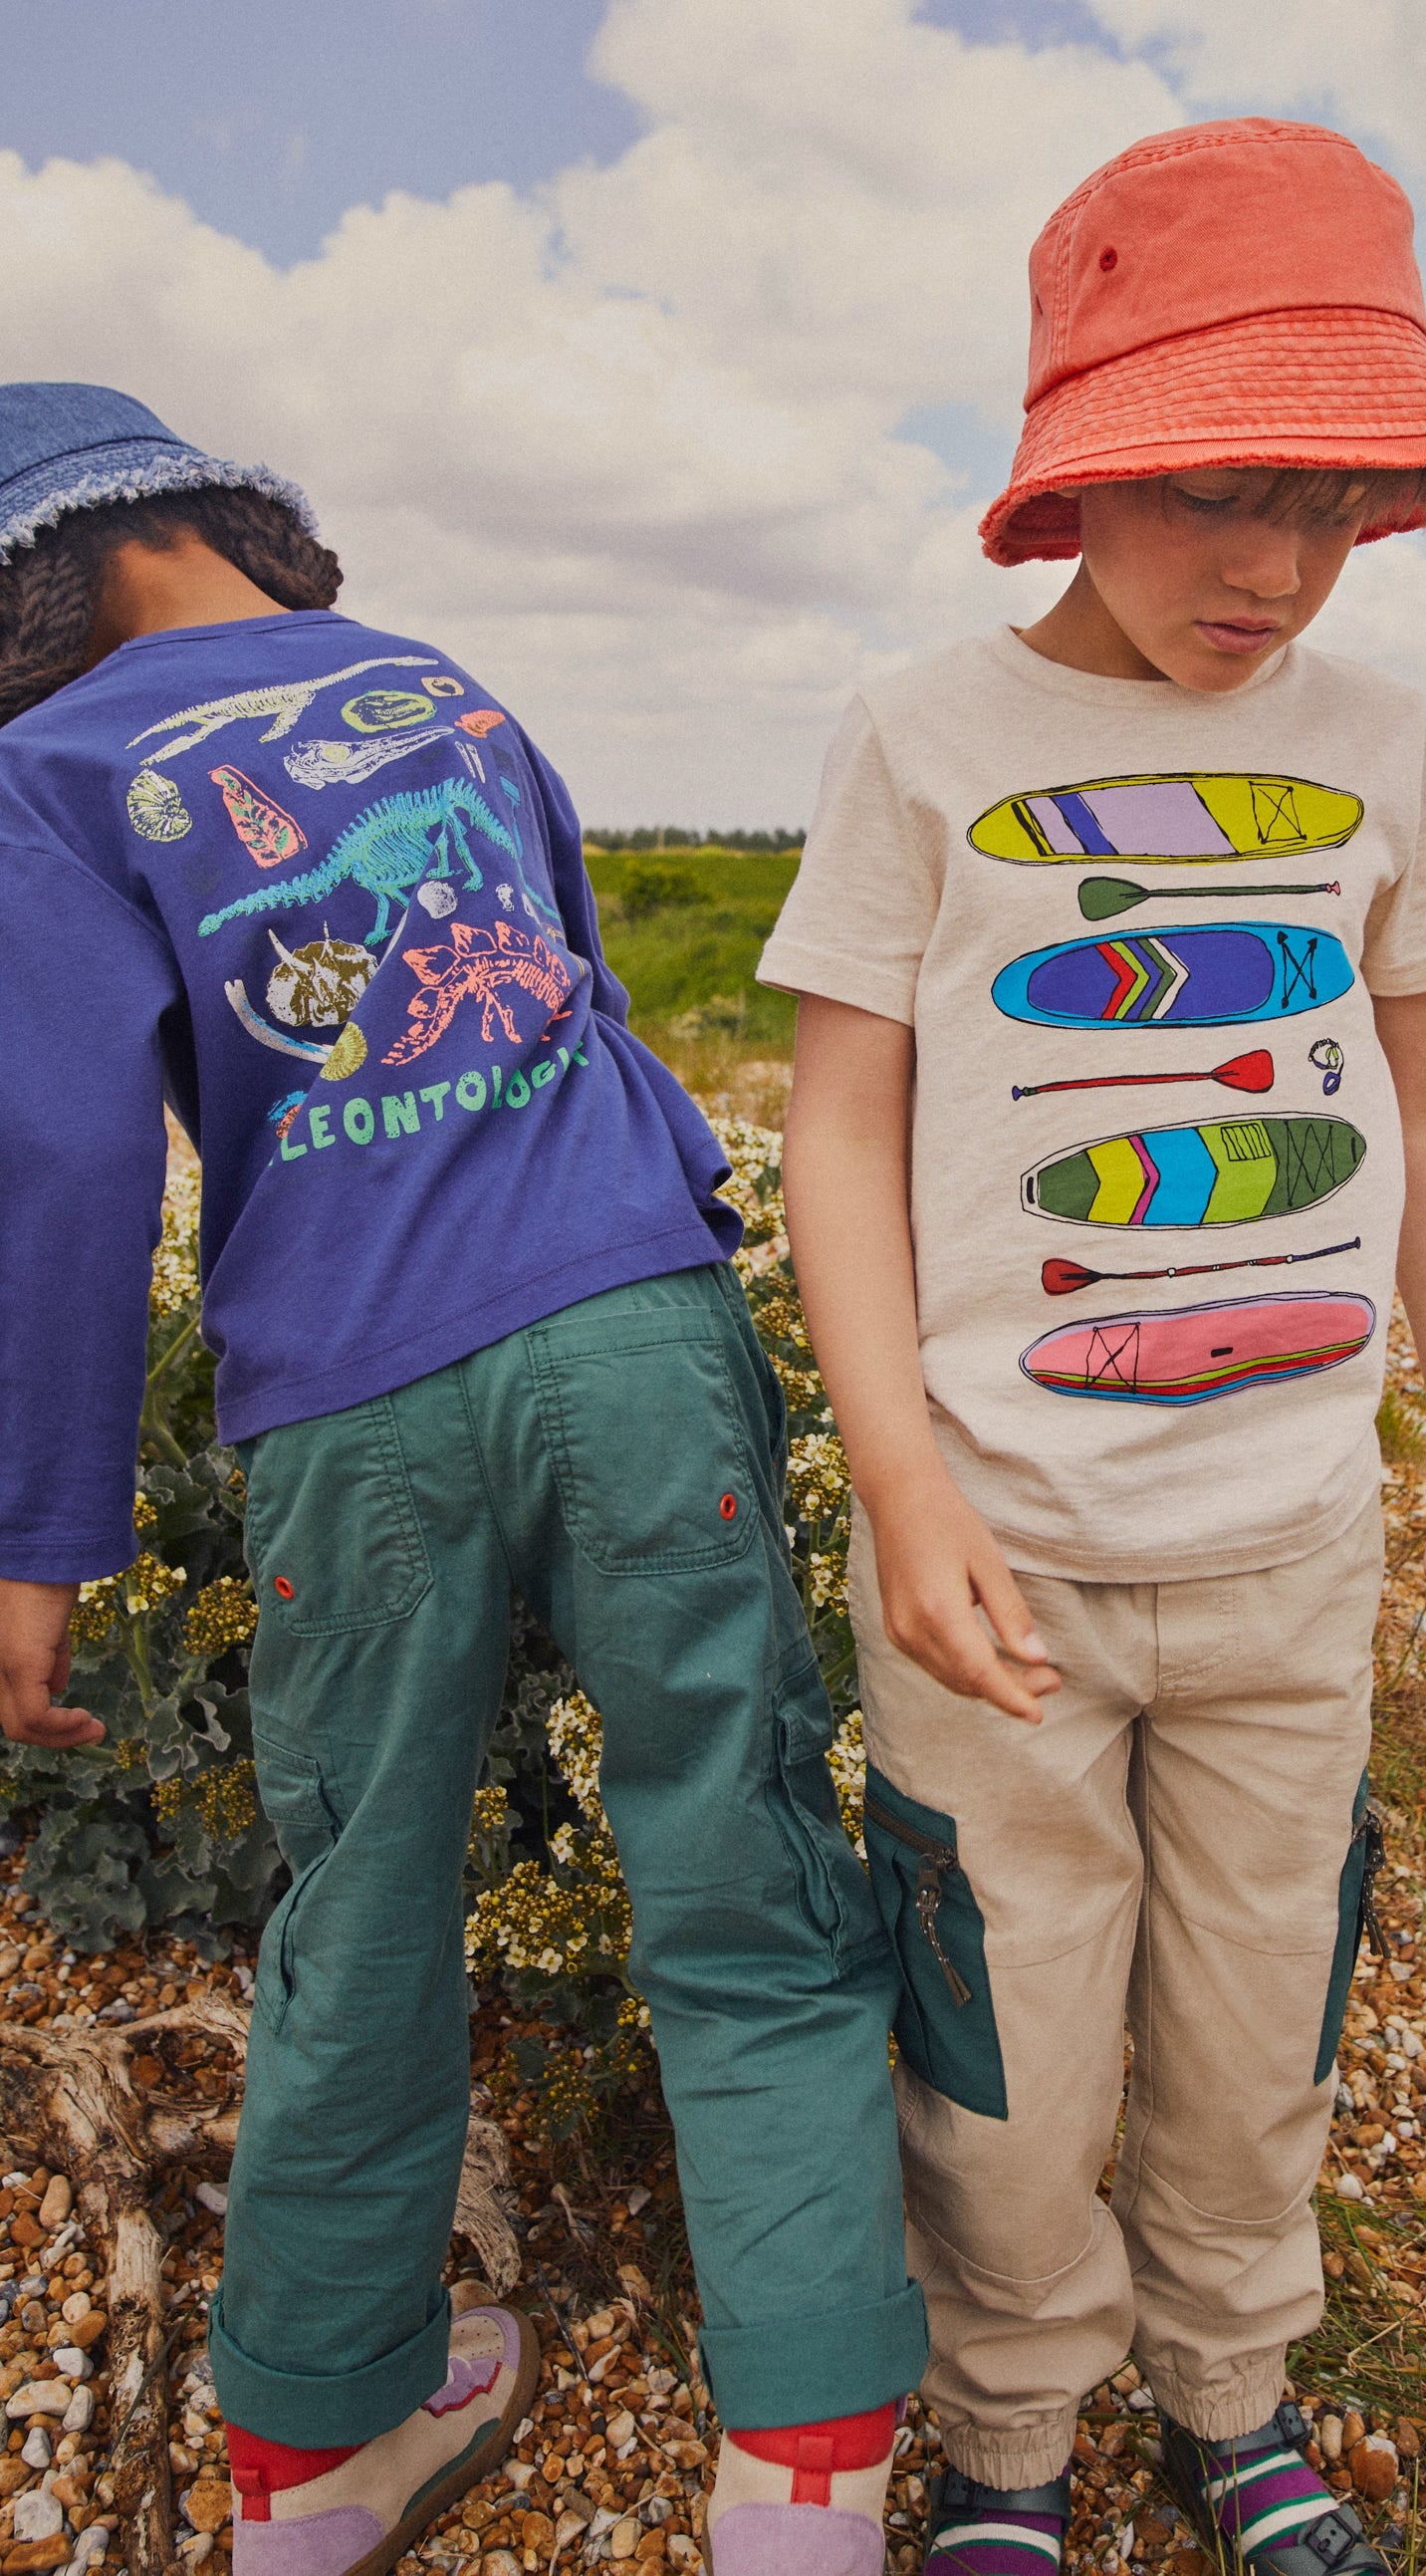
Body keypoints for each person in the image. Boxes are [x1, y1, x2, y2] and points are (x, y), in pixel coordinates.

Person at [0, 384, 924, 2576]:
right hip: (631, 1322)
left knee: (365, 1914)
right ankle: (804, 2488)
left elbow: (52, 1161)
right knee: (740, 1859)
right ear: (217, 520)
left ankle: (315, 2469)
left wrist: (40, 1537)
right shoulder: (448, 692)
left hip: (347, 1393)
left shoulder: (46, 773)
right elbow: (579, 994)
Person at [763, 121, 1426, 2576]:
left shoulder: (1384, 742)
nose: (1273, 563)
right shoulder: (916, 741)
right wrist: (897, 1484)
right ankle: (1008, 2418)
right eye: (1213, 483)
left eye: (1326, 496)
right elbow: (838, 1138)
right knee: (999, 2046)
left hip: (1292, 1549)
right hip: (1006, 1560)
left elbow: (1417, 1099)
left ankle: (1229, 2379)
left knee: (1250, 2015)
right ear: (1077, 468)